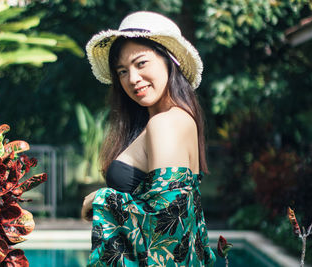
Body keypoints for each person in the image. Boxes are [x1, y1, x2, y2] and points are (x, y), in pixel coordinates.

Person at [82, 11, 216, 266]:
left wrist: (100, 199)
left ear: (170, 60)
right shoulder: (176, 119)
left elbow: (166, 233)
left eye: (141, 63)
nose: (132, 79)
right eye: (122, 71)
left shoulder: (165, 123)